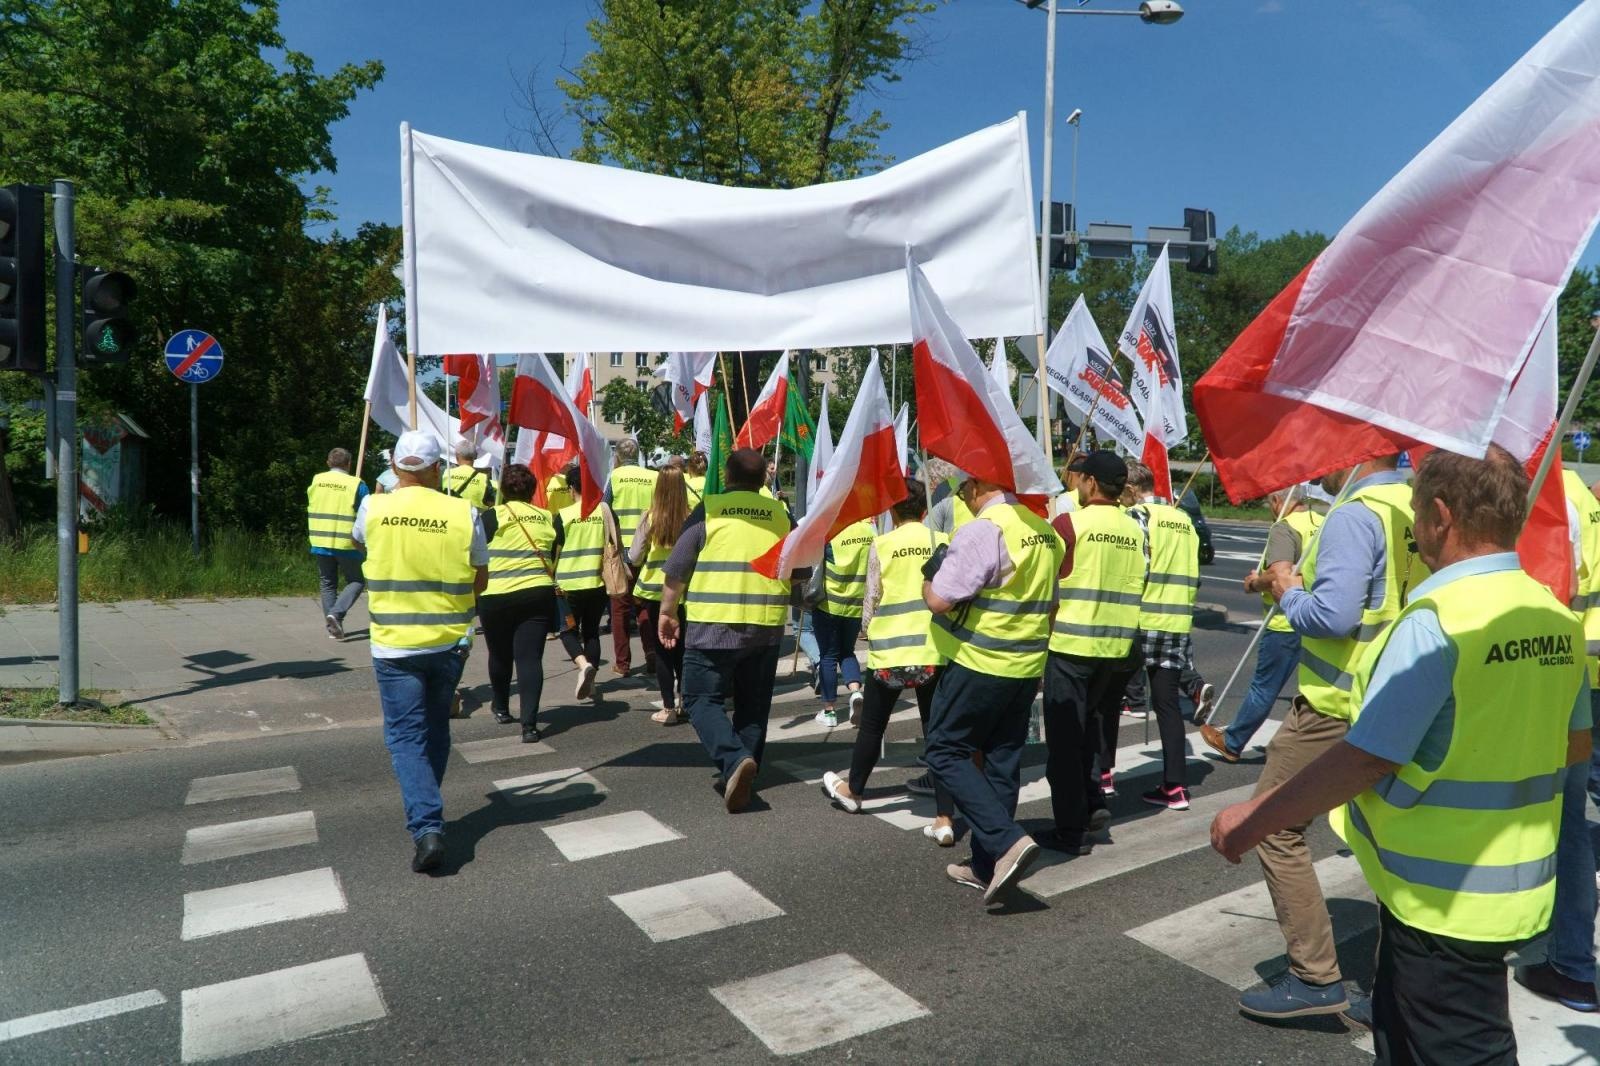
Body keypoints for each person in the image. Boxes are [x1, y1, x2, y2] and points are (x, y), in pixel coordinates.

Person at [1212, 445, 1591, 1064]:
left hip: (1438, 893)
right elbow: (1574, 747)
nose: (1415, 528)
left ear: (1441, 516)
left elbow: (1366, 758)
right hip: (1517, 887)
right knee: (1404, 1033)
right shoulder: (1553, 616)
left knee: (1462, 1048)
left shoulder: (1437, 621)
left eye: (1417, 514)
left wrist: (1252, 820)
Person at [1237, 453, 1423, 1021]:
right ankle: (1396, 992)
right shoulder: (1414, 503)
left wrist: (1288, 590)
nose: (1318, 455)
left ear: (1358, 447)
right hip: (1400, 696)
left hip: (1335, 704)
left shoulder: (1355, 513)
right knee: (1390, 845)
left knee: (1272, 824)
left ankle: (1315, 977)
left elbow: (1334, 617)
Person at [923, 474, 1064, 904]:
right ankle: (987, 866)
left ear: (977, 485)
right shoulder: (1044, 532)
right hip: (1026, 664)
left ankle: (1007, 842)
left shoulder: (983, 530)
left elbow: (940, 600)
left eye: (963, 488)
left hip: (980, 661)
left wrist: (928, 577)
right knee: (1002, 761)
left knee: (945, 750)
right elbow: (1052, 605)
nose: (963, 496)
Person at [351, 430, 488, 873]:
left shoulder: (374, 506)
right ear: (437, 469)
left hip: (395, 645)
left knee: (405, 736)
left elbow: (358, 542)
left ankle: (427, 825)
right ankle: (427, 805)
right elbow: (481, 578)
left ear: (394, 466)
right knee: (435, 728)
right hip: (448, 642)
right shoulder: (463, 511)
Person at [657, 448, 794, 814]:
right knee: (753, 706)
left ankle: (734, 761)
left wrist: (667, 611)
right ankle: (743, 770)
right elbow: (800, 570)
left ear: (727, 477)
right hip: (766, 625)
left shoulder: (711, 509)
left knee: (699, 698)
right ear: (763, 478)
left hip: (713, 624)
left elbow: (679, 566)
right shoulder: (782, 514)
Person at [821, 479, 957, 846]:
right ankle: (945, 818)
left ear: (893, 510)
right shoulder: (941, 542)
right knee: (937, 732)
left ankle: (854, 791)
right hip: (933, 651)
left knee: (872, 727)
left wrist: (867, 631)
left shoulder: (882, 544)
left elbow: (872, 599)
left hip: (890, 653)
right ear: (925, 511)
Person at [1514, 467, 1600, 1012]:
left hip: (1550, 671)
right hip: (1576, 668)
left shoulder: (1544, 488)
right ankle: (1569, 960)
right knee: (1570, 819)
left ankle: (1568, 961)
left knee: (1559, 821)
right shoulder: (1579, 494)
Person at [1039, 451, 1145, 854]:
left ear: (1092, 483)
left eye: (1080, 478)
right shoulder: (1134, 529)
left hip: (1071, 647)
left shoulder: (1070, 524)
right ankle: (1094, 802)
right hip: (1116, 649)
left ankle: (1070, 831)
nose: (1077, 484)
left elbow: (1046, 582)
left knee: (1065, 744)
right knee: (1091, 734)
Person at [1200, 485, 1323, 761]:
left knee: (1264, 686)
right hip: (1315, 617)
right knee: (1313, 689)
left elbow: (1280, 575)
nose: (1270, 510)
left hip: (1284, 621)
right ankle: (1310, 746)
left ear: (1278, 500)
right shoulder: (1321, 522)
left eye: (1270, 503)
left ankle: (1232, 741)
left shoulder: (1284, 527)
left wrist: (1254, 583)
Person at [1124, 460, 1202, 812]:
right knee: (1167, 705)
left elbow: (1135, 570)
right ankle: (1176, 787)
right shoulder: (1183, 519)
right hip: (1177, 620)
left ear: (1130, 489)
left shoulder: (1137, 517)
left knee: (1108, 699)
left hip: (1142, 620)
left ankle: (1103, 778)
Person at [478, 463, 562, 743]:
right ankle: (529, 726)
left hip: (495, 595)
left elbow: (475, 552)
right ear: (533, 490)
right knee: (529, 659)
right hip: (536, 594)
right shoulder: (547, 517)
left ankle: (501, 708)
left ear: (502, 490)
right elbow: (553, 552)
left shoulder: (491, 516)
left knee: (499, 654)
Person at [631, 467, 692, 725]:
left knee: (663, 650)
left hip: (655, 591)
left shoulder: (650, 517)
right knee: (684, 649)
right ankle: (685, 703)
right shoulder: (692, 517)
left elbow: (635, 556)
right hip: (685, 591)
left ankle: (668, 708)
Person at [604, 438, 658, 677]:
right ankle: (652, 655)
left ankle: (623, 663)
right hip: (647, 550)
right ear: (638, 455)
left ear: (618, 456)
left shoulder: (614, 477)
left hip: (621, 551)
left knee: (620, 608)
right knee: (645, 603)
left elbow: (604, 510)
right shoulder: (653, 477)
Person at [811, 518, 873, 728]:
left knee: (828, 656)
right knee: (847, 651)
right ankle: (855, 692)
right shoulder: (868, 530)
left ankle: (829, 711)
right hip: (855, 604)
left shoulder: (830, 529)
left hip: (829, 604)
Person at [554, 464, 607, 703]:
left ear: (571, 488)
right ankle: (591, 683)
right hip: (597, 582)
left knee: (567, 632)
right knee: (592, 632)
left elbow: (554, 552)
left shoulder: (564, 516)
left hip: (569, 585)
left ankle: (584, 665)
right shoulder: (603, 511)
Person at [307, 447, 368, 640]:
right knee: (357, 580)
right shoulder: (357, 484)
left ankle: (333, 627)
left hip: (320, 539)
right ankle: (336, 615)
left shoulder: (316, 480)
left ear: (328, 462)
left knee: (327, 583)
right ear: (349, 464)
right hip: (347, 542)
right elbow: (366, 513)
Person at [442, 439, 494, 510]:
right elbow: (491, 503)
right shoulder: (484, 478)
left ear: (457, 456)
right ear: (475, 456)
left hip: (448, 515)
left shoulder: (445, 474)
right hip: (473, 516)